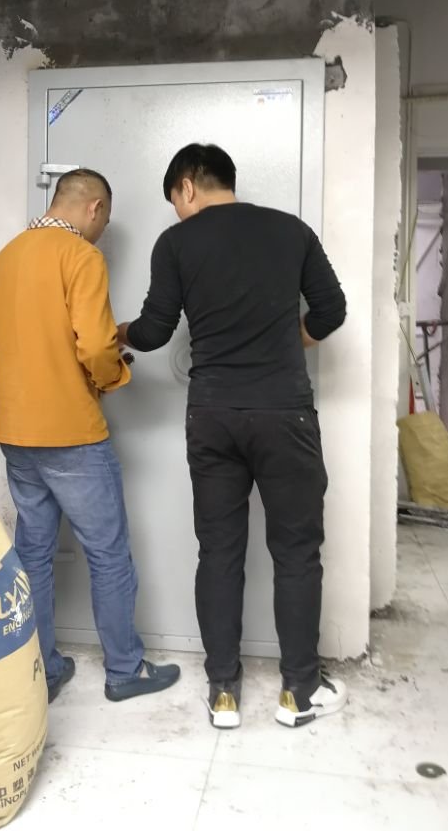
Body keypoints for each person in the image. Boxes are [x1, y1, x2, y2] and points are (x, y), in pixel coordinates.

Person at [118, 144, 347, 730]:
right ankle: (299, 692)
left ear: (187, 186)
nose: (176, 211)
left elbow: (154, 330)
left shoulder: (176, 243)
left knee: (219, 552)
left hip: (213, 415)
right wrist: (292, 339)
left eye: (174, 199)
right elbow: (331, 309)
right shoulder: (291, 231)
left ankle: (223, 690)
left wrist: (117, 332)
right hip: (284, 413)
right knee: (296, 553)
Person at [0, 168, 180, 704]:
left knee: (33, 553)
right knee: (108, 554)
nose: (101, 230)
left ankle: (43, 671)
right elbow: (94, 346)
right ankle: (125, 671)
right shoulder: (81, 257)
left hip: (16, 434)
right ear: (94, 208)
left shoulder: (5, 257)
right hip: (71, 435)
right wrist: (112, 378)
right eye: (104, 220)